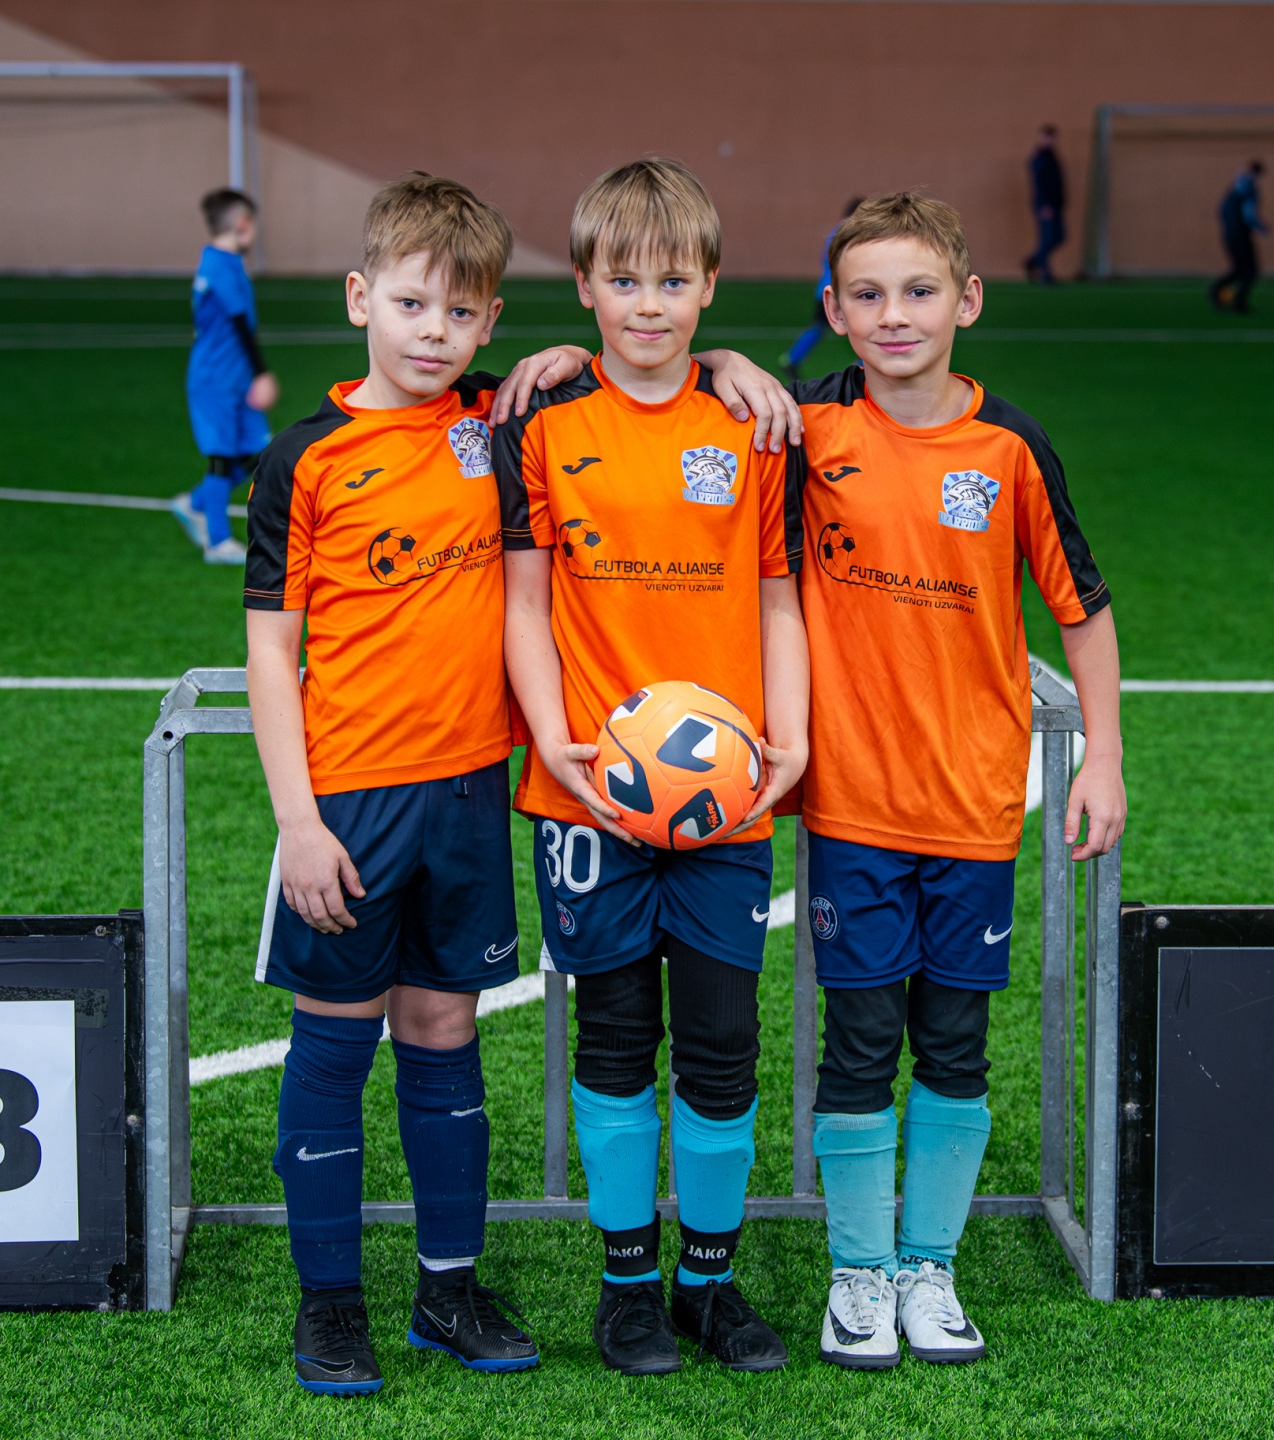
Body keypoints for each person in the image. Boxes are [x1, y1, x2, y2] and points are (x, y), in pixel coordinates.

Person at [242, 170, 792, 1399]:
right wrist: (296, 821)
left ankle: (447, 1290)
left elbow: (632, 371)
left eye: (459, 314)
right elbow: (270, 651)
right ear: (358, 299)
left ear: (490, 322)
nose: (432, 333)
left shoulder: (497, 421)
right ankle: (329, 1303)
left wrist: (727, 364)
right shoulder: (305, 457)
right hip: (348, 799)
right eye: (409, 306)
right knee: (334, 1045)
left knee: (444, 1034)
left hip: (468, 795)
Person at [790, 193, 1123, 1369]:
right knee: (856, 1045)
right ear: (834, 311)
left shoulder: (1010, 448)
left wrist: (1102, 758)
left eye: (919, 290)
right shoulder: (803, 430)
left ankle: (928, 1266)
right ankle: (856, 1274)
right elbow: (682, 397)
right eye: (867, 295)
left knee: (954, 1046)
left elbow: (1083, 610)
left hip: (974, 804)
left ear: (967, 301)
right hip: (850, 805)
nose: (895, 315)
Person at [494, 157, 809, 1377]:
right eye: (622, 280)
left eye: (673, 282)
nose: (648, 304)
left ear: (709, 285)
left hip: (727, 798)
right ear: (582, 286)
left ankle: (709, 1285)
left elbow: (778, 600)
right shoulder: (542, 423)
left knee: (722, 1044)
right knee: (616, 1042)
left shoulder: (750, 424)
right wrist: (554, 746)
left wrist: (787, 743)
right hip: (589, 795)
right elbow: (526, 604)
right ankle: (626, 1286)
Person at [174, 188, 277, 564]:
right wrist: (262, 374)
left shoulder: (219, 262)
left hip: (235, 377)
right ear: (243, 225)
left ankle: (195, 502)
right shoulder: (222, 266)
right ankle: (217, 542)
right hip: (216, 380)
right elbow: (239, 325)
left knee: (260, 451)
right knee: (221, 457)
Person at [782, 198, 862, 380]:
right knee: (860, 330)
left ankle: (791, 359)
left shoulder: (837, 233)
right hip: (838, 293)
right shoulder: (848, 236)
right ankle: (862, 369)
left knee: (819, 328)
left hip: (825, 291)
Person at [1210, 160, 1267, 314]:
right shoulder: (1249, 189)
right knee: (1250, 271)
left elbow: (1221, 211)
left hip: (1230, 233)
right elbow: (1249, 214)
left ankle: (1216, 293)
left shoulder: (1232, 191)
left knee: (1239, 269)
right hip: (1240, 234)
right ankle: (1238, 302)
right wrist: (1262, 229)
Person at [1024, 125, 1067, 285]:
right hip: (1046, 206)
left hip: (1056, 205)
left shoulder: (1052, 157)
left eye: (1051, 137)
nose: (1049, 140)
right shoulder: (1039, 158)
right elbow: (1039, 185)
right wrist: (1045, 205)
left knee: (1059, 237)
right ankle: (1045, 274)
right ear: (1040, 138)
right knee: (1047, 238)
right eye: (1046, 137)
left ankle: (1032, 261)